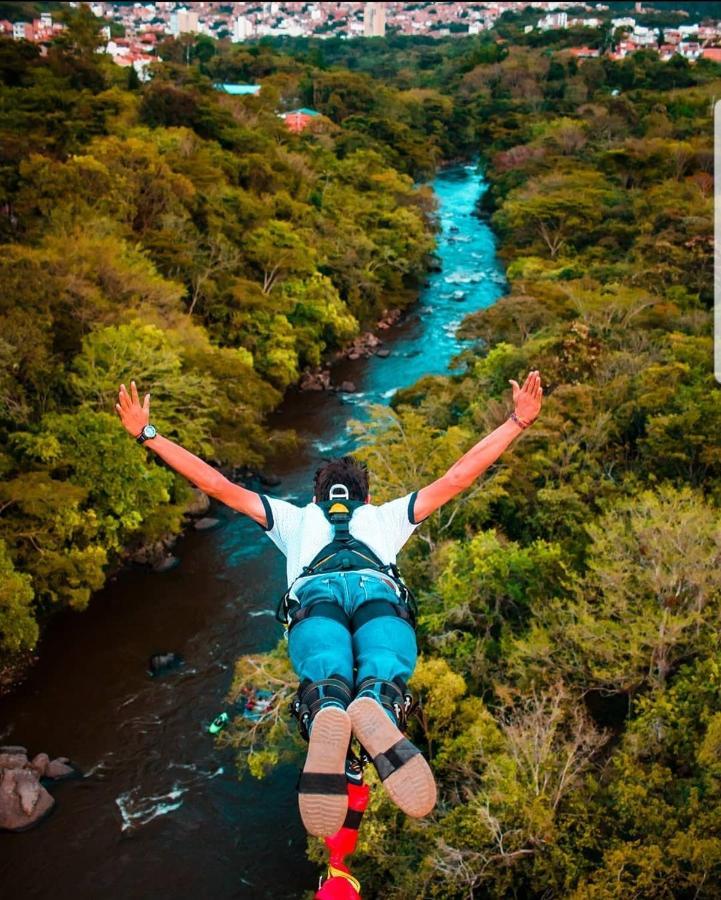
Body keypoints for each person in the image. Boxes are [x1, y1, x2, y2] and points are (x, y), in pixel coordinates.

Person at [115, 370, 543, 836]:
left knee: (325, 667)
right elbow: (458, 477)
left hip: (314, 598)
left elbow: (218, 487)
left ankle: (326, 705)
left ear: (315, 497)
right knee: (383, 661)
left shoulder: (293, 519)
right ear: (367, 498)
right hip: (377, 593)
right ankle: (377, 700)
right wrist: (517, 422)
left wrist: (147, 433)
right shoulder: (386, 516)